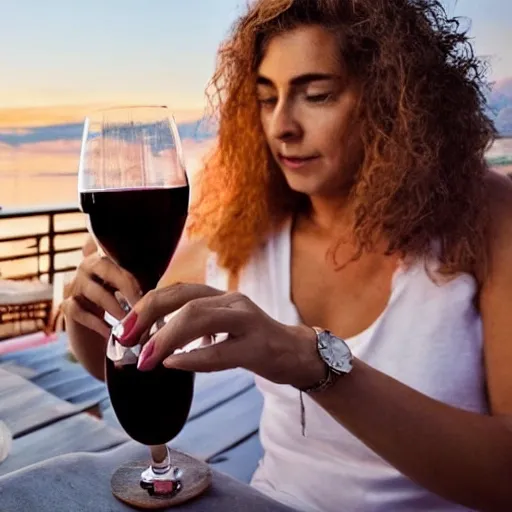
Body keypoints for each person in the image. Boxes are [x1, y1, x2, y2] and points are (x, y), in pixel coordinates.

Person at [63, 0, 512, 510]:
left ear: (395, 99)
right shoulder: (243, 231)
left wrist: (309, 362)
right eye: (265, 98)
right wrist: (81, 313)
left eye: (316, 95)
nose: (281, 126)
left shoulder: (486, 215)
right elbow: (133, 363)